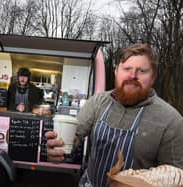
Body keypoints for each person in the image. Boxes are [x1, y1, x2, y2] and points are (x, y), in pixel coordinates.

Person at [46, 43, 183, 187]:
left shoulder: (171, 121)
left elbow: (176, 175)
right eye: (127, 68)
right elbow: (75, 135)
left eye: (142, 71)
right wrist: (58, 148)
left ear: (153, 77)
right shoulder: (98, 102)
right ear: (116, 71)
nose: (132, 75)